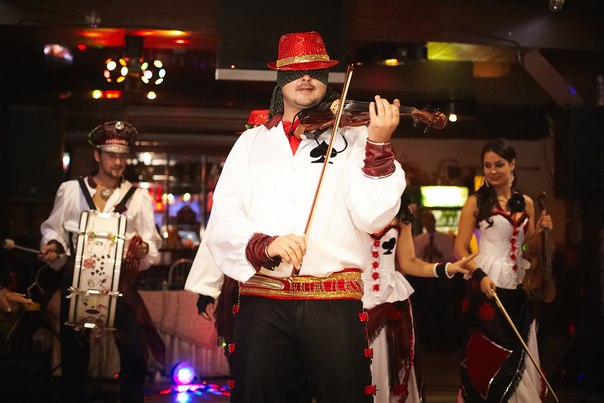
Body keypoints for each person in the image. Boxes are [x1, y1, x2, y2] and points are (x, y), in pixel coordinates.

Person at [205, 31, 405, 402]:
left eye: (316, 70)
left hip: (334, 301)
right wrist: (264, 244)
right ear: (280, 77)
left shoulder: (354, 138)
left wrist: (379, 143)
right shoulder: (251, 142)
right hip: (263, 298)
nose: (307, 77)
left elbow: (374, 217)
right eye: (297, 71)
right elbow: (224, 213)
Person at [39, 120, 164, 403]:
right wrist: (53, 245)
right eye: (111, 155)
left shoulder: (138, 197)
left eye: (122, 156)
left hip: (121, 285)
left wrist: (143, 249)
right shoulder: (71, 190)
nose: (118, 162)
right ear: (97, 155)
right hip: (77, 284)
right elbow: (53, 229)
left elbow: (151, 240)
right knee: (74, 361)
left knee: (135, 356)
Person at [454, 138, 554, 402]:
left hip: (521, 281)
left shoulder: (527, 202)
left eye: (498, 164)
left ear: (513, 165)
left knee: (520, 345)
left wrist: (540, 231)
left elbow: (528, 249)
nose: (492, 170)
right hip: (486, 279)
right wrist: (479, 275)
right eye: (487, 165)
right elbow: (459, 247)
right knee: (490, 348)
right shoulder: (475, 202)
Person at [364, 196, 473, 403]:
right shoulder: (346, 204)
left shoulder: (401, 211)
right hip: (354, 296)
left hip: (391, 297)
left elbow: (409, 263)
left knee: (392, 367)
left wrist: (446, 268)